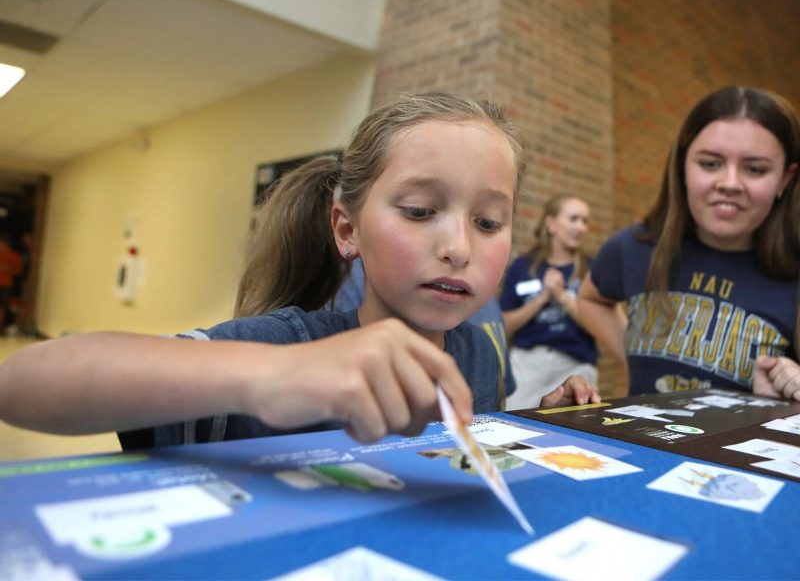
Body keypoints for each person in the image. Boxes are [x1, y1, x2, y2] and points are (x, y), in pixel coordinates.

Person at [0, 92, 599, 450]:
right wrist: (267, 376)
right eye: (420, 211)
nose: (458, 247)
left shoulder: (479, 354)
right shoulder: (285, 342)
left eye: (490, 222)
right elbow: (23, 383)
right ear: (347, 229)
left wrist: (535, 423)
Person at [578, 85, 800, 402]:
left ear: (785, 179)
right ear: (683, 166)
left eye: (754, 169)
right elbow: (590, 298)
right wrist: (631, 357)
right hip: (641, 448)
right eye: (710, 164)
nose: (729, 184)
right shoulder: (635, 246)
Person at [328, 256, 518, 405]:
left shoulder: (480, 347)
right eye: (419, 213)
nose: (459, 251)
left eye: (487, 224)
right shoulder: (306, 336)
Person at [499, 194, 599, 409]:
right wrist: (541, 299)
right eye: (573, 219)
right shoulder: (523, 267)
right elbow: (503, 326)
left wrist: (563, 297)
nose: (581, 227)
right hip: (527, 365)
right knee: (516, 431)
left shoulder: (591, 269)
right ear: (551, 223)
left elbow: (600, 328)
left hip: (576, 365)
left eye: (585, 221)